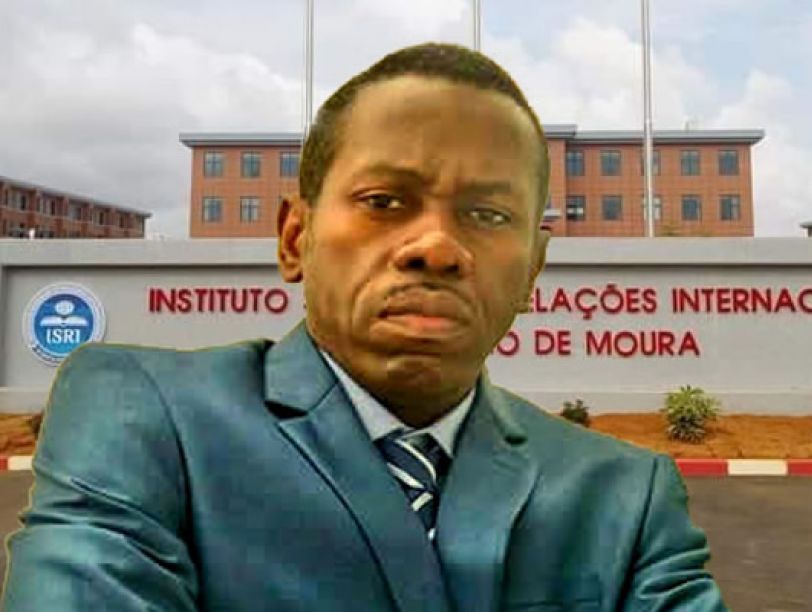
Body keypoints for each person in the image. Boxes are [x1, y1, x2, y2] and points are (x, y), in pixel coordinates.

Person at [2, 43, 727, 611]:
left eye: (488, 214)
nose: (436, 247)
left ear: (534, 268)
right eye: (384, 201)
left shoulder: (624, 499)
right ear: (295, 238)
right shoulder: (146, 419)